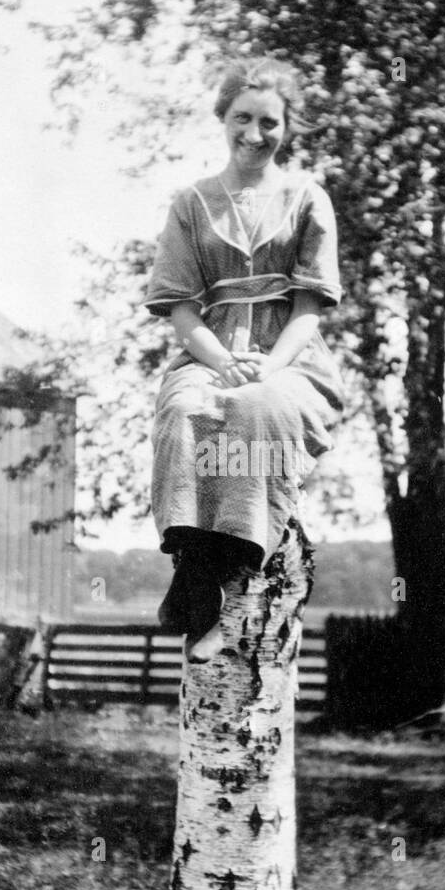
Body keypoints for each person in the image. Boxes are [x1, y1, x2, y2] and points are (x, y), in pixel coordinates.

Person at [144, 57, 345, 662]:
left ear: (289, 127)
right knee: (184, 410)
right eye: (242, 118)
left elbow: (310, 307)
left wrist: (270, 366)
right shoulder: (193, 203)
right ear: (222, 118)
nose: (254, 134)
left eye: (269, 122)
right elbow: (181, 308)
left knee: (257, 410)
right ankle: (197, 578)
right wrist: (220, 360)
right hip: (209, 350)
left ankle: (211, 588)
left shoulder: (308, 198)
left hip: (290, 358)